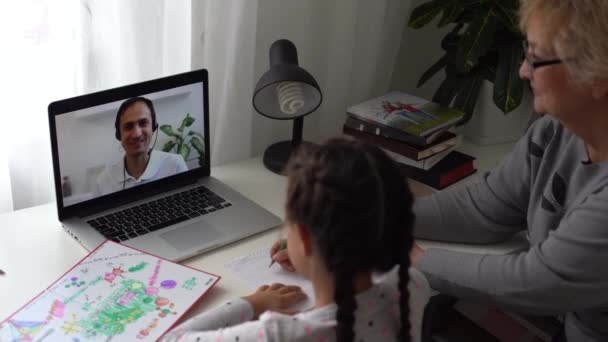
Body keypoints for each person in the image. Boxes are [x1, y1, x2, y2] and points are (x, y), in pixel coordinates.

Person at [405, 1, 608, 341]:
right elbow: (485, 209)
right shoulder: (553, 132)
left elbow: (539, 282)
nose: (522, 72)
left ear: (599, 74)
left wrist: (409, 257)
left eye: (536, 57)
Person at [160, 137, 430, 342]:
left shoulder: (279, 333)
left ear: (304, 236)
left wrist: (252, 304)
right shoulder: (413, 286)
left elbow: (171, 340)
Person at [96, 97, 188, 196]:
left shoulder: (175, 166)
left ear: (153, 127)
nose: (137, 134)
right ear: (119, 135)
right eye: (128, 126)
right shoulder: (103, 182)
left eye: (143, 123)